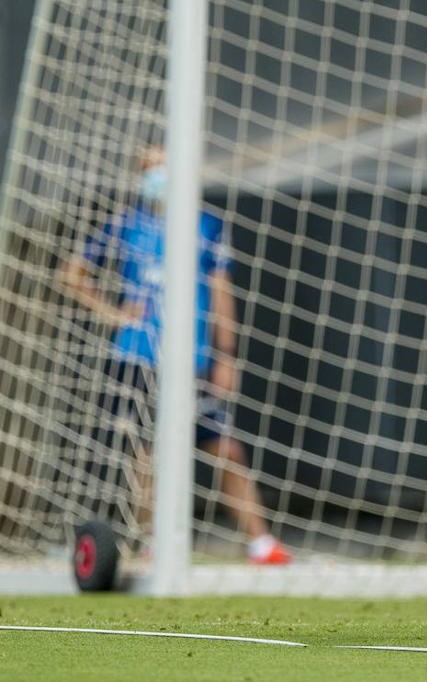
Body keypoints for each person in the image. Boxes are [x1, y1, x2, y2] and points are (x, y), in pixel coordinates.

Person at [61, 145, 291, 565]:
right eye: (150, 168)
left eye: (165, 167)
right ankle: (154, 543)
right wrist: (113, 315)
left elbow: (222, 293)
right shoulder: (125, 226)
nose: (158, 175)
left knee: (226, 449)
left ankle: (261, 543)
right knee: (148, 454)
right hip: (139, 358)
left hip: (192, 360)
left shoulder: (205, 226)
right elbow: (72, 272)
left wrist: (226, 356)